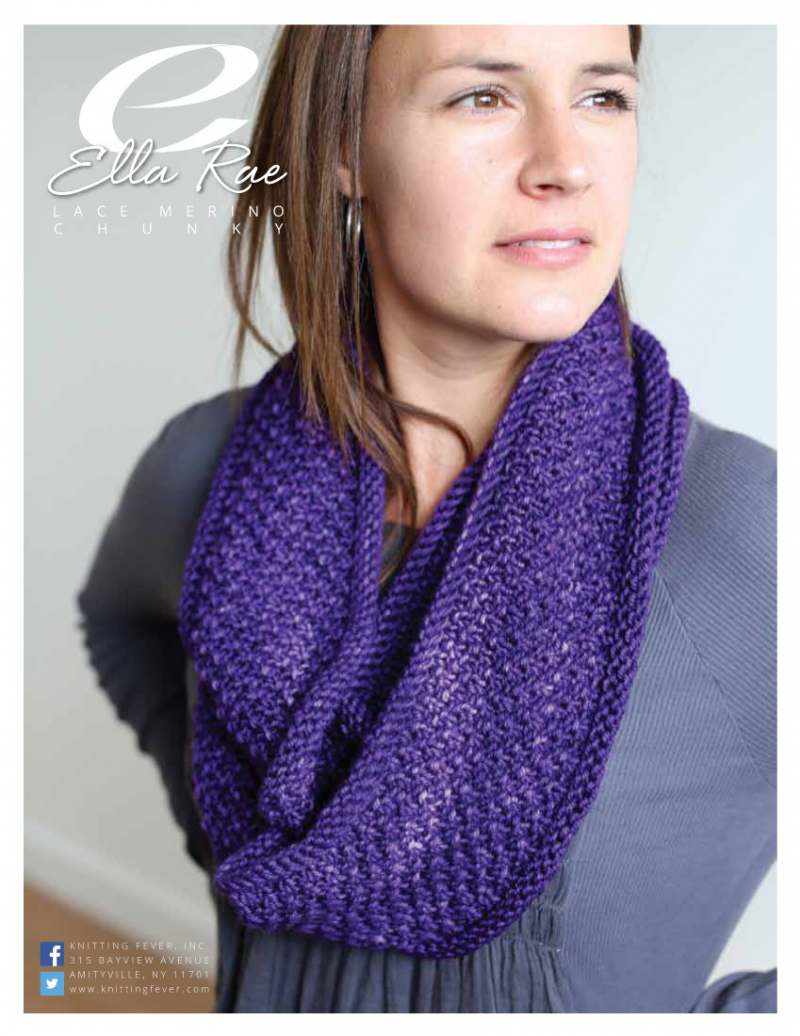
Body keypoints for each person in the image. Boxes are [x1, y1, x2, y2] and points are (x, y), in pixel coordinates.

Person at [75, 25, 776, 1012]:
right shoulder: (204, 465)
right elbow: (116, 622)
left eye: (602, 97)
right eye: (481, 97)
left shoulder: (743, 531)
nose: (566, 163)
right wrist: (231, 819)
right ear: (343, 150)